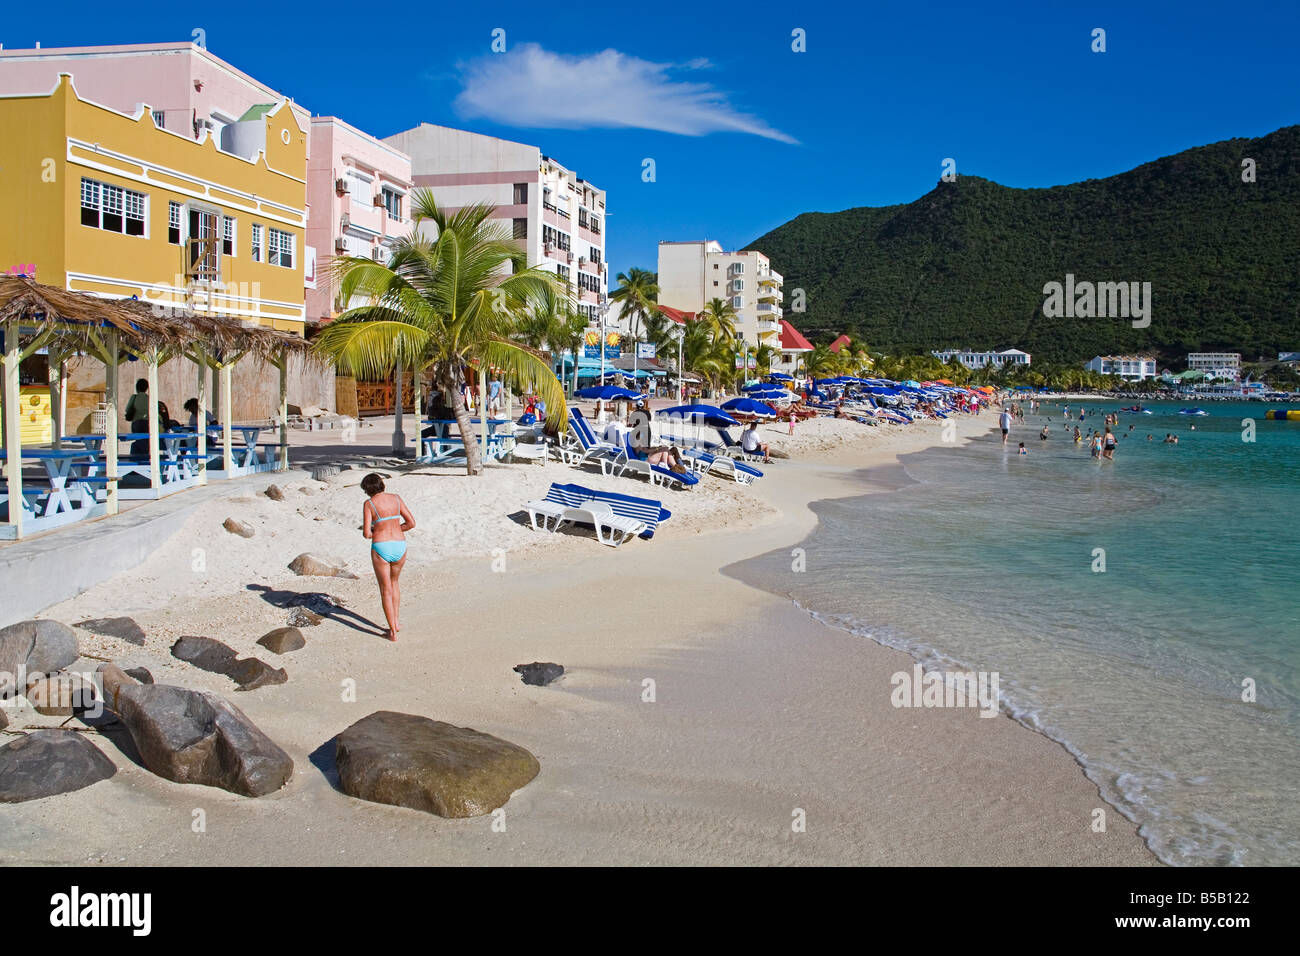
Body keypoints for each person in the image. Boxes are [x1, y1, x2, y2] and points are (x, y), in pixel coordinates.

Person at [360, 473, 414, 642]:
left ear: (367, 489)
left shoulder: (369, 504)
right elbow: (411, 523)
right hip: (400, 544)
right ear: (381, 484)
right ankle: (396, 623)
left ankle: (392, 632)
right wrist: (396, 529)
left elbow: (367, 533)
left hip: (381, 545)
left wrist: (379, 530)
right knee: (395, 583)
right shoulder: (396, 498)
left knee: (385, 590)